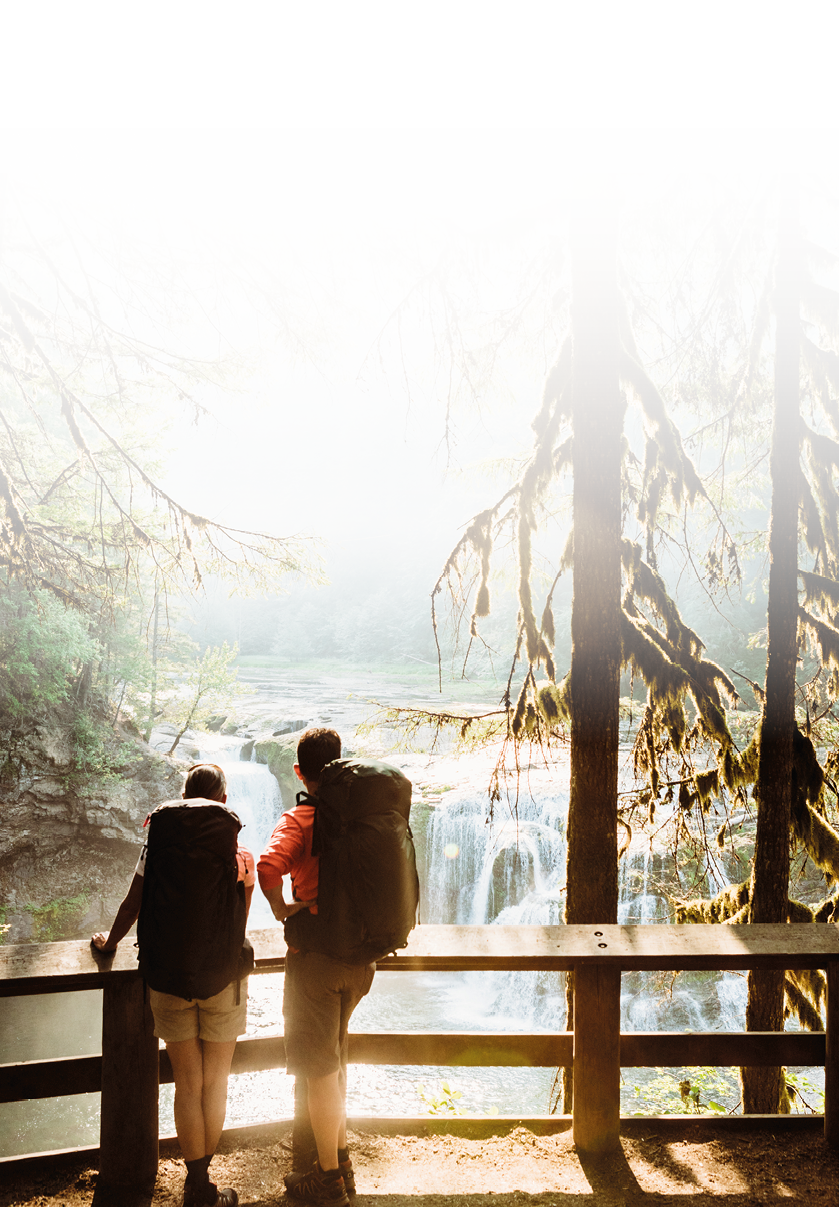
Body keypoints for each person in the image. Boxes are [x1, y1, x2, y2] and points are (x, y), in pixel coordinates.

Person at [92, 763, 253, 1207]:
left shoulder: (156, 844)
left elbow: (133, 902)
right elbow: (240, 915)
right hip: (223, 977)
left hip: (166, 975)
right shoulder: (238, 849)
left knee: (187, 1080)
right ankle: (202, 1188)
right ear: (222, 801)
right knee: (215, 1081)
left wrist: (111, 943)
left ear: (183, 798)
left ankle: (196, 1184)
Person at [258, 728, 375, 1207]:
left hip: (316, 963)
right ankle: (342, 1164)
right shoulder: (365, 818)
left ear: (300, 771)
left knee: (321, 1071)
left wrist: (281, 907)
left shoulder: (302, 819)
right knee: (337, 1061)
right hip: (361, 961)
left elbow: (267, 867)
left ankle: (328, 1182)